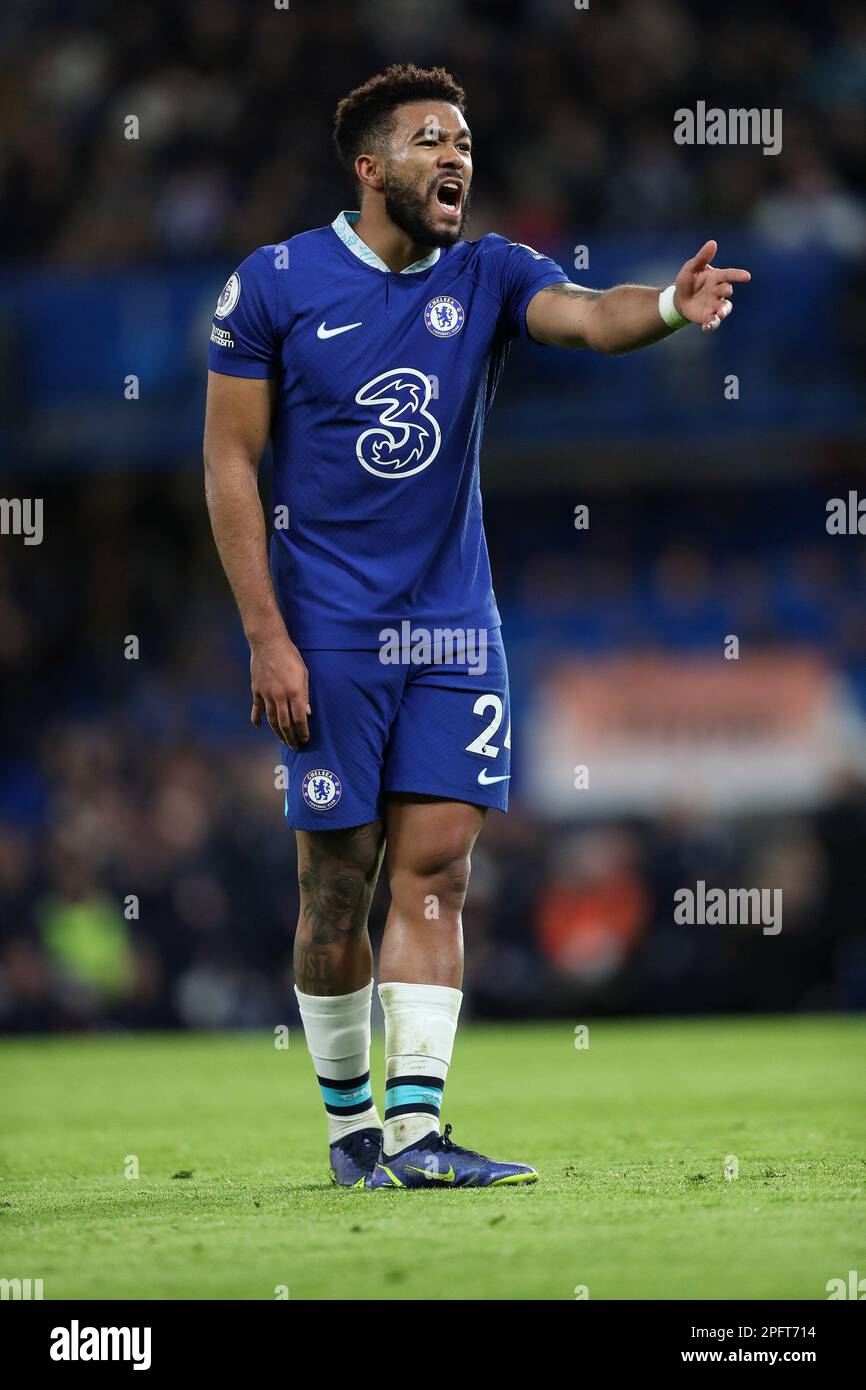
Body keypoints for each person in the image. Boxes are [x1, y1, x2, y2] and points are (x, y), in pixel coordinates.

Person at [203, 63, 750, 1188]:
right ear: (370, 168)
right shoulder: (272, 283)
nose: (454, 157)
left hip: (454, 625)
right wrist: (265, 634)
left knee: (439, 870)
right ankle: (349, 1129)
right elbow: (228, 459)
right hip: (329, 628)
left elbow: (587, 318)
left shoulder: (492, 272)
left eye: (462, 141)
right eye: (427, 141)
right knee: (334, 883)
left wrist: (660, 307)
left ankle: (414, 1135)